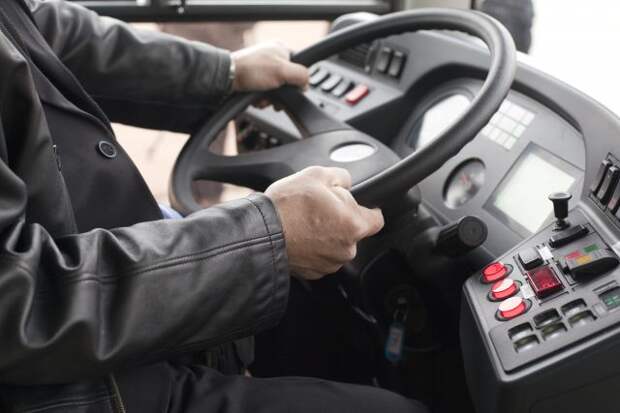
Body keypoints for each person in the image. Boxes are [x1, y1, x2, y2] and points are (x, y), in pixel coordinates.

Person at [0, 0, 428, 412]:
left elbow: (39, 28)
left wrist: (224, 72)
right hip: (81, 387)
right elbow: (19, 302)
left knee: (313, 311)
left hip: (91, 324)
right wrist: (266, 239)